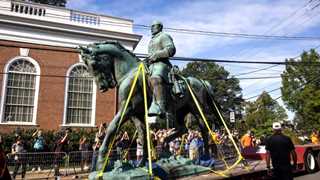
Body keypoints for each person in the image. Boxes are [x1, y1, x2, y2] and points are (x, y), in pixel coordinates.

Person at [147, 20, 176, 122]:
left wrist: (157, 55)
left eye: (153, 26)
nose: (151, 28)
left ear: (159, 27)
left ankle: (161, 106)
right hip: (151, 66)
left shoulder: (164, 36)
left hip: (162, 65)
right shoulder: (151, 40)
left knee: (155, 79)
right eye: (151, 26)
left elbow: (171, 49)